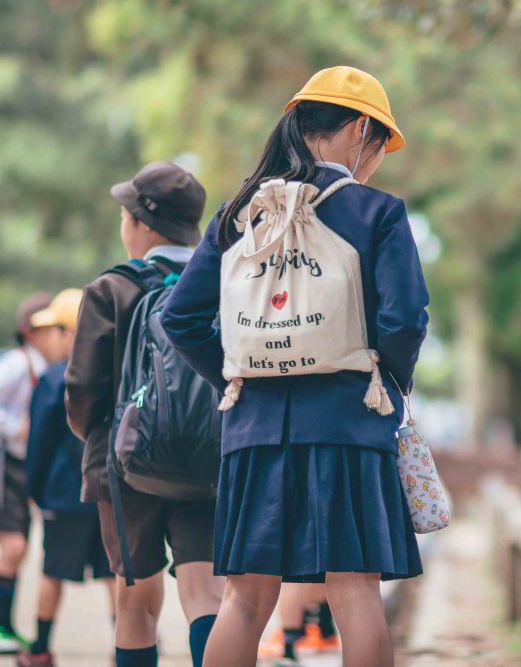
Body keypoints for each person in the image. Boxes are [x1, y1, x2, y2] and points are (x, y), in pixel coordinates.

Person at [161, 65, 429, 667]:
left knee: (245, 599)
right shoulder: (375, 213)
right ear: (361, 128)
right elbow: (405, 320)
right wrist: (384, 383)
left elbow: (179, 318)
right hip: (347, 427)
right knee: (355, 590)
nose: (378, 157)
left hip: (253, 433)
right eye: (381, 142)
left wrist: (238, 380)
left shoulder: (236, 215)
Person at [65, 161, 223, 667]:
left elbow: (83, 392)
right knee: (206, 592)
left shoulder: (111, 289)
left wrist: (99, 437)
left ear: (141, 222)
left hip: (124, 465)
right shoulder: (222, 282)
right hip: (208, 460)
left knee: (136, 603)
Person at [18, 288, 116, 667]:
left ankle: (40, 648)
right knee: (114, 573)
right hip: (107, 490)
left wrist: (32, 488)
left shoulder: (55, 376)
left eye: (57, 328)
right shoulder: (113, 370)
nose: (51, 338)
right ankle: (125, 646)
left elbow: (39, 440)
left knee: (52, 571)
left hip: (63, 492)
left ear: (72, 331)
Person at [0, 292, 61, 654]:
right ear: (32, 332)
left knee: (17, 546)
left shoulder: (37, 366)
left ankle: (1, 626)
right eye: (52, 328)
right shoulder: (19, 363)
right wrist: (15, 427)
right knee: (14, 545)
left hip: (15, 464)